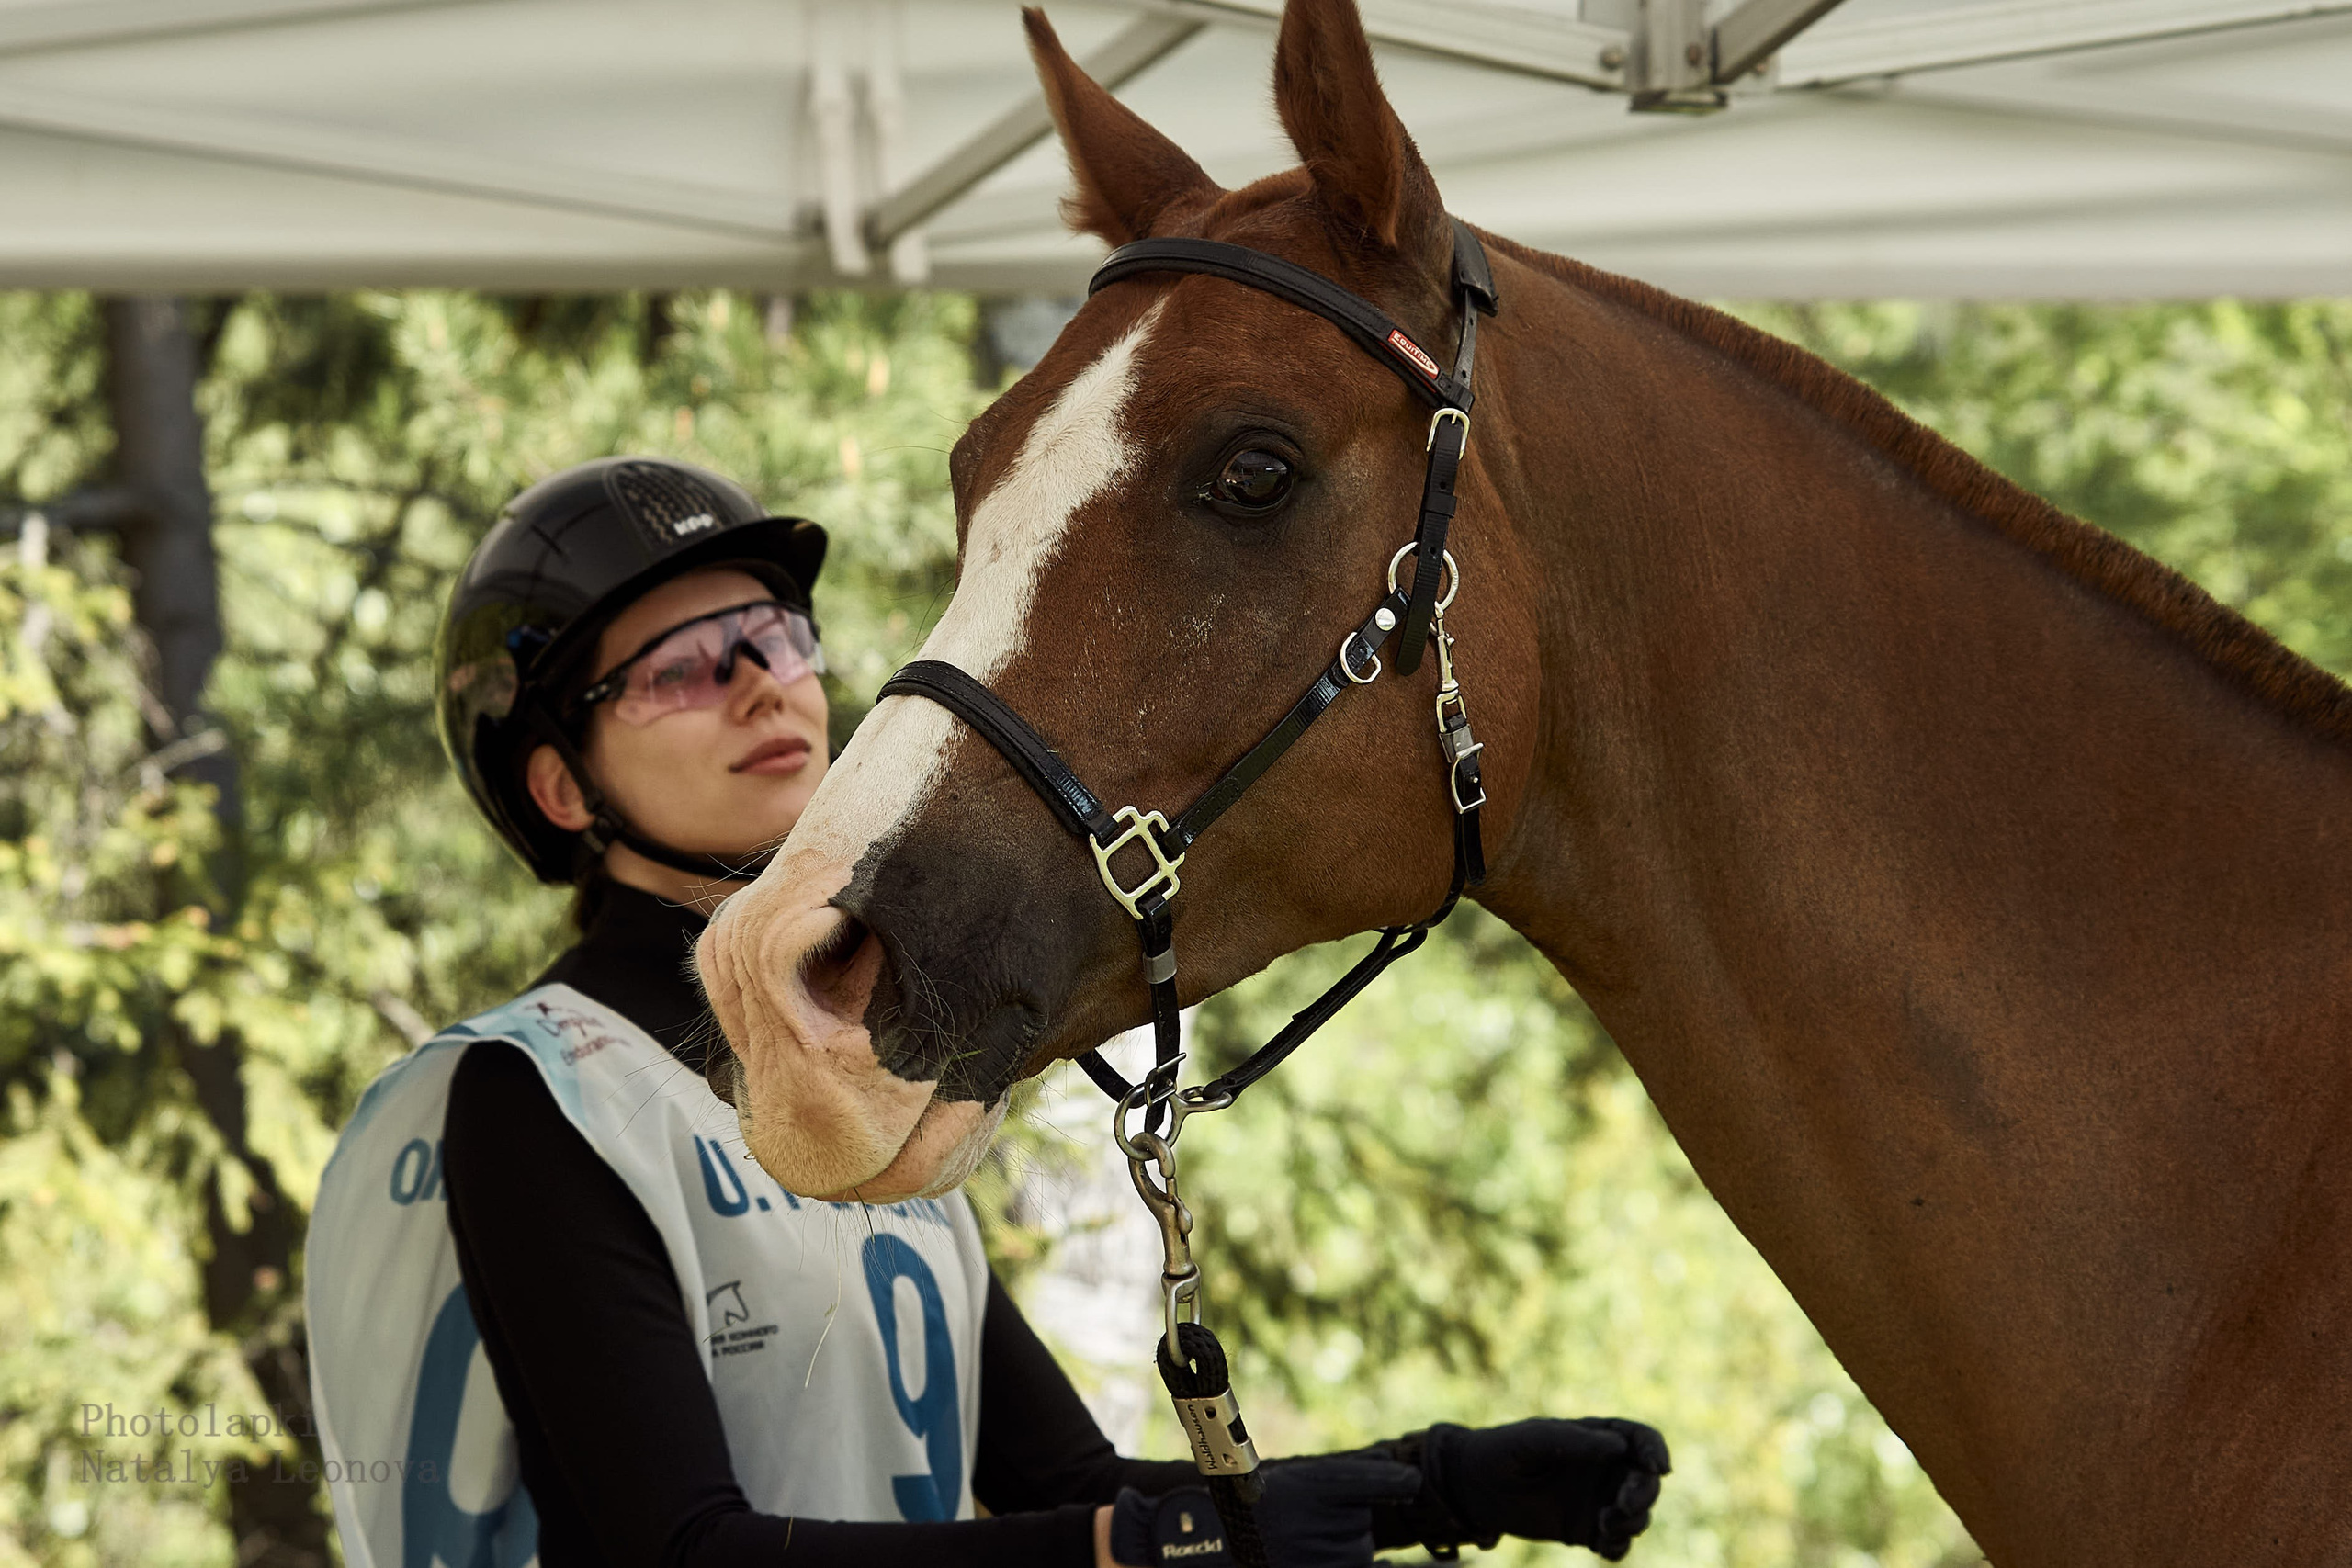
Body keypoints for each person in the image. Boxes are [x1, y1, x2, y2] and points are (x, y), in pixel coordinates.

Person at [304, 455, 1671, 1568]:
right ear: (561, 788)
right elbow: (680, 1548)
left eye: (775, 637)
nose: (766, 681)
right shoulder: (538, 1095)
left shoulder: (863, 1058)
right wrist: (1155, 1547)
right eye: (683, 665)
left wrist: (1432, 1486)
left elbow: (1062, 1485)